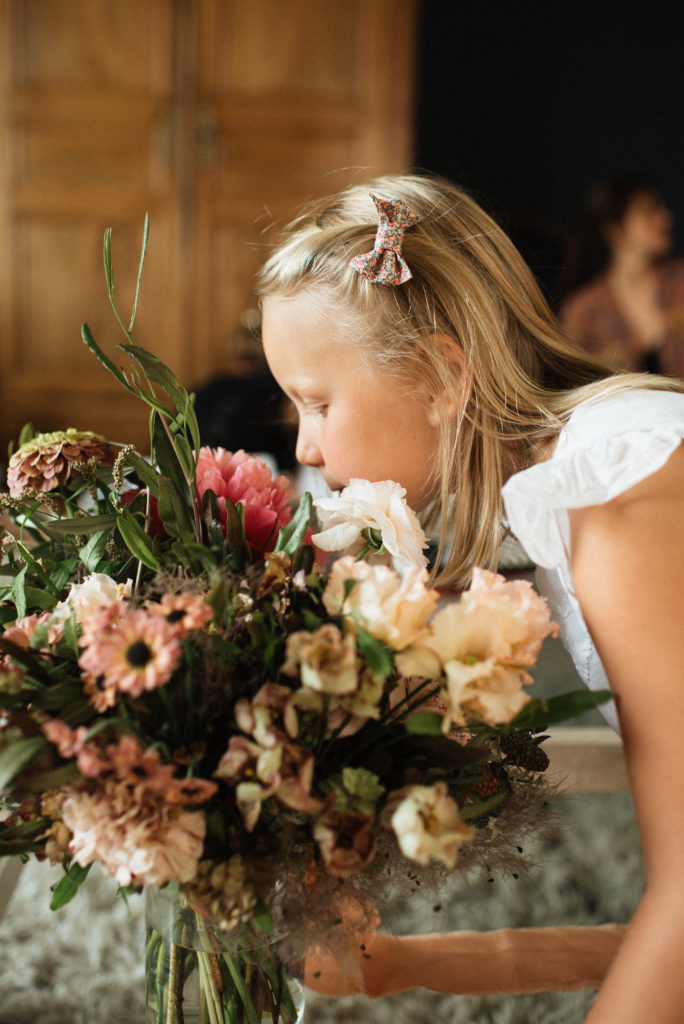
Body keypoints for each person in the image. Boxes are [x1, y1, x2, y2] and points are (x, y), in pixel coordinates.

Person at [256, 175, 684, 1022]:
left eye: (316, 403)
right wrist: (400, 965)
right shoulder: (576, 484)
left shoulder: (624, 493)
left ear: (444, 375)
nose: (305, 445)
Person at [560, 175, 684, 378]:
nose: (665, 217)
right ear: (615, 229)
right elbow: (575, 380)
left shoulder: (680, 282)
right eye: (648, 211)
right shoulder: (583, 311)